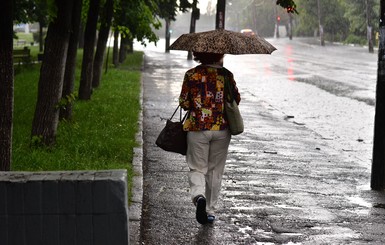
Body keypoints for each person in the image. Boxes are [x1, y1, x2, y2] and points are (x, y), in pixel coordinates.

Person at [179, 52, 241, 225]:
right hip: (222, 129)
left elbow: (184, 102)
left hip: (197, 128)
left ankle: (199, 196)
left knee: (197, 168)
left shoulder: (191, 74)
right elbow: (236, 99)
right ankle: (210, 211)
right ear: (219, 54)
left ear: (199, 55)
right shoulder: (226, 75)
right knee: (215, 170)